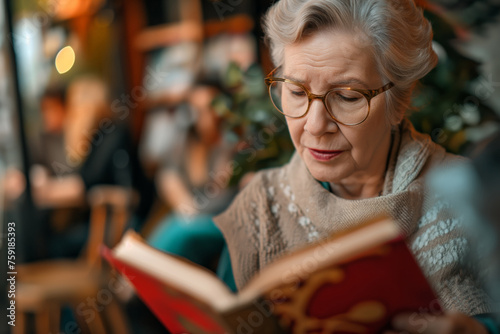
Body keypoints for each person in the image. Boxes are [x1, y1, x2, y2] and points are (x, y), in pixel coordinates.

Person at [214, 0, 495, 332]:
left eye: (347, 96)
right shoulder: (259, 209)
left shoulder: (475, 200)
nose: (315, 125)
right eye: (296, 92)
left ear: (399, 103)